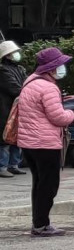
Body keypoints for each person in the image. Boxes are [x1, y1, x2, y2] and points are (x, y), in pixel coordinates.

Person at [14, 48, 74, 236]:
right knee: (48, 185)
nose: (62, 68)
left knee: (38, 183)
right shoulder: (48, 87)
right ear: (51, 68)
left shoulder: (30, 81)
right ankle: (41, 224)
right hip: (45, 143)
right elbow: (58, 117)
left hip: (28, 143)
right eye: (60, 65)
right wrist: (71, 114)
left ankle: (38, 222)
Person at [0, 41, 28, 178]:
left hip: (17, 108)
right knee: (5, 138)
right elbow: (14, 88)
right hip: (5, 109)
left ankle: (13, 165)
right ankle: (2, 166)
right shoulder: (3, 70)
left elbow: (26, 83)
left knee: (18, 137)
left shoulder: (20, 69)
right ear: (7, 55)